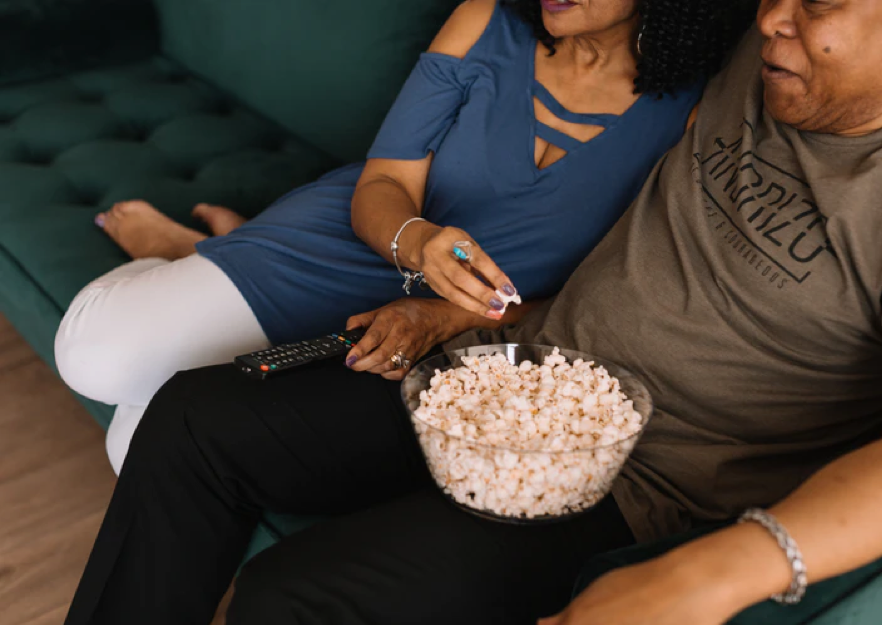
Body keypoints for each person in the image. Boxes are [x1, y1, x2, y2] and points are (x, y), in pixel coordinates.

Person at [65, 0, 882, 623]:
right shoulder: (753, 55)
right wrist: (457, 319)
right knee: (190, 417)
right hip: (512, 363)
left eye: (816, 3)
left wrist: (712, 575)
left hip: (634, 479)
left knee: (291, 596)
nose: (771, 17)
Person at [53, 0, 751, 474]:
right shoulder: (486, 21)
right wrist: (417, 244)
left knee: (144, 443)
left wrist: (447, 313)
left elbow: (611, 288)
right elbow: (384, 180)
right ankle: (181, 254)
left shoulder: (696, 110)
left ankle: (207, 260)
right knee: (95, 360)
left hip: (450, 325)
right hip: (349, 240)